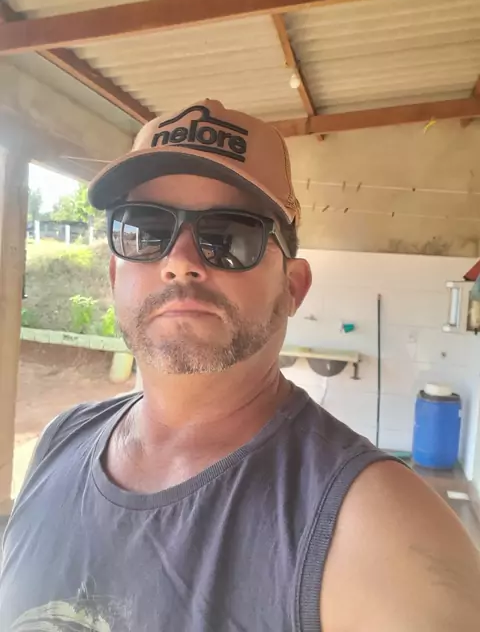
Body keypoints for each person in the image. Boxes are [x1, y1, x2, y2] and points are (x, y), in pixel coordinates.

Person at [1, 100, 479, 632]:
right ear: (116, 274)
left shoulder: (382, 531)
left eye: (229, 236)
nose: (179, 261)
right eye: (145, 229)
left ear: (292, 287)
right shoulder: (59, 441)